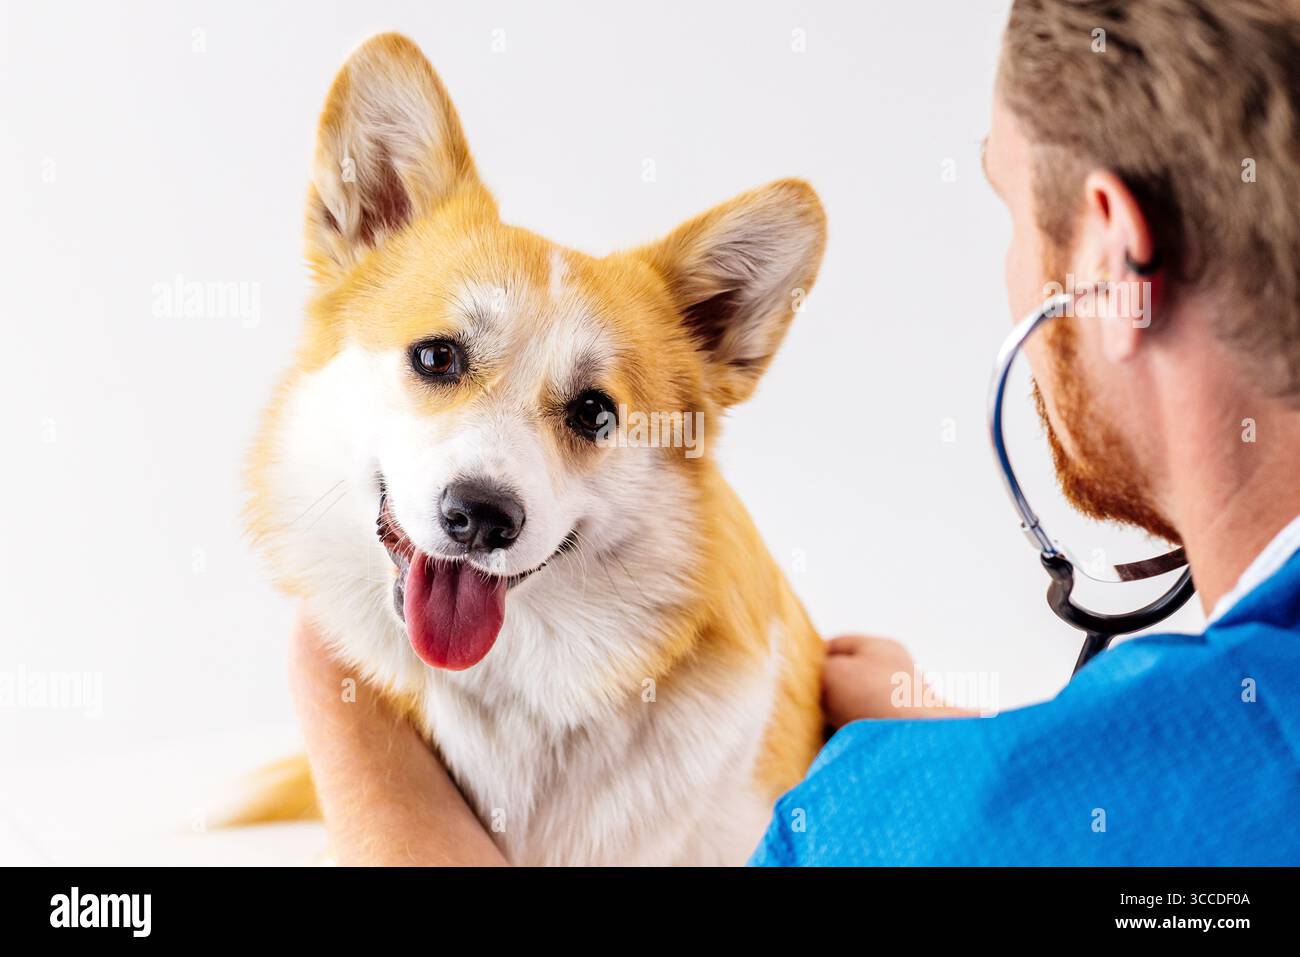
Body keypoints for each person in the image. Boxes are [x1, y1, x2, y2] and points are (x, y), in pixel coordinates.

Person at [288, 0, 1300, 865]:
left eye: (1006, 204)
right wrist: (978, 743)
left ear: (1117, 257)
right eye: (437, 360)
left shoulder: (885, 821)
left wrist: (338, 708)